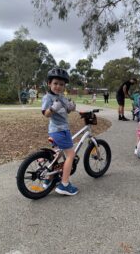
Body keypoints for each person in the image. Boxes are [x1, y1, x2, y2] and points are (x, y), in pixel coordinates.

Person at [41, 67, 78, 196]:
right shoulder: (47, 97)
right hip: (59, 131)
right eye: (55, 83)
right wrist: (52, 108)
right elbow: (45, 114)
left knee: (56, 155)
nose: (58, 86)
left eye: (61, 84)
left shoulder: (61, 97)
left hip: (60, 130)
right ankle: (65, 185)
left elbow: (66, 110)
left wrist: (71, 107)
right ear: (49, 83)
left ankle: (48, 180)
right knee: (70, 155)